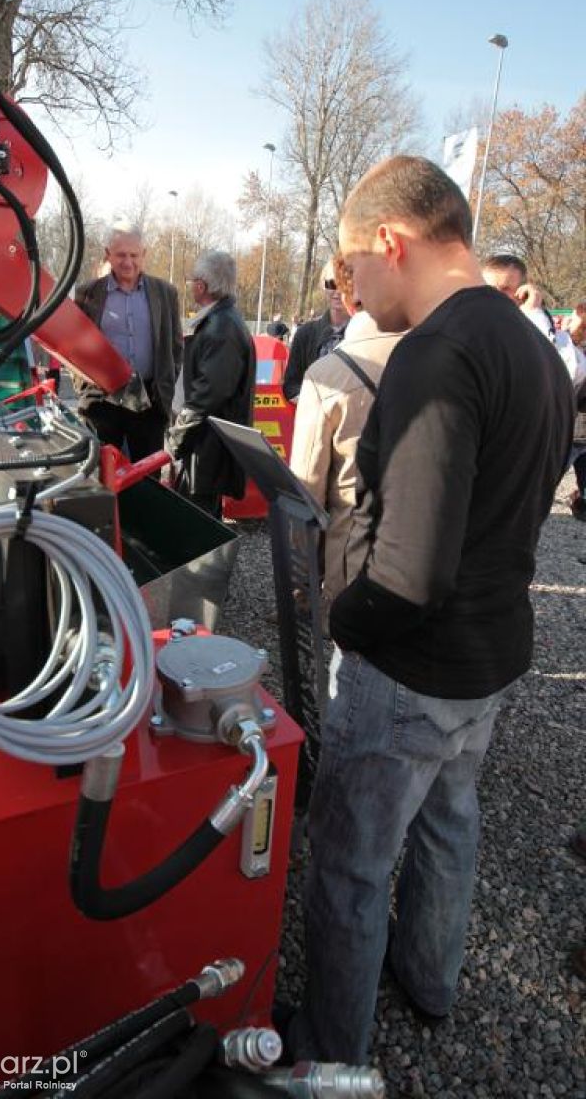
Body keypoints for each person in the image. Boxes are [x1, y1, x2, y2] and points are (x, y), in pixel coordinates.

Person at [290, 156, 574, 1066]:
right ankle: (431, 980)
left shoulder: (436, 353)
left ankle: (333, 1059)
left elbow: (408, 577)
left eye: (350, 270)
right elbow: (517, 508)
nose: (352, 293)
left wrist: (342, 622)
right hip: (490, 660)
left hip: (409, 674)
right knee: (449, 824)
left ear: (390, 240)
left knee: (351, 866)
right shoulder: (533, 345)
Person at [290, 257, 403, 633]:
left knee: (350, 657)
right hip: (429, 543)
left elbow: (305, 489)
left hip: (353, 543)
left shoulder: (327, 374)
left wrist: (302, 576)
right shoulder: (441, 356)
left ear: (351, 299)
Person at [74, 227, 182, 461]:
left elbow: (175, 346)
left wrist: (166, 385)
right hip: (102, 403)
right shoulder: (88, 294)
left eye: (134, 255)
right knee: (103, 476)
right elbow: (75, 347)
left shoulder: (166, 294)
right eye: (121, 255)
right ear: (108, 254)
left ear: (144, 254)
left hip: (150, 404)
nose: (128, 262)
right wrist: (83, 387)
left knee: (147, 476)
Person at [166, 250, 255, 518]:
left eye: (192, 280)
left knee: (195, 526)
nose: (190, 285)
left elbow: (208, 395)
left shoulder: (221, 328)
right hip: (204, 447)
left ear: (201, 286)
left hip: (205, 450)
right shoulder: (220, 321)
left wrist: (176, 438)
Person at [283, 260, 351, 401]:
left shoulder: (365, 334)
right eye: (331, 284)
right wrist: (314, 403)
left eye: (344, 283)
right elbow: (291, 385)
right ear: (323, 286)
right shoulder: (305, 334)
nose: (337, 291)